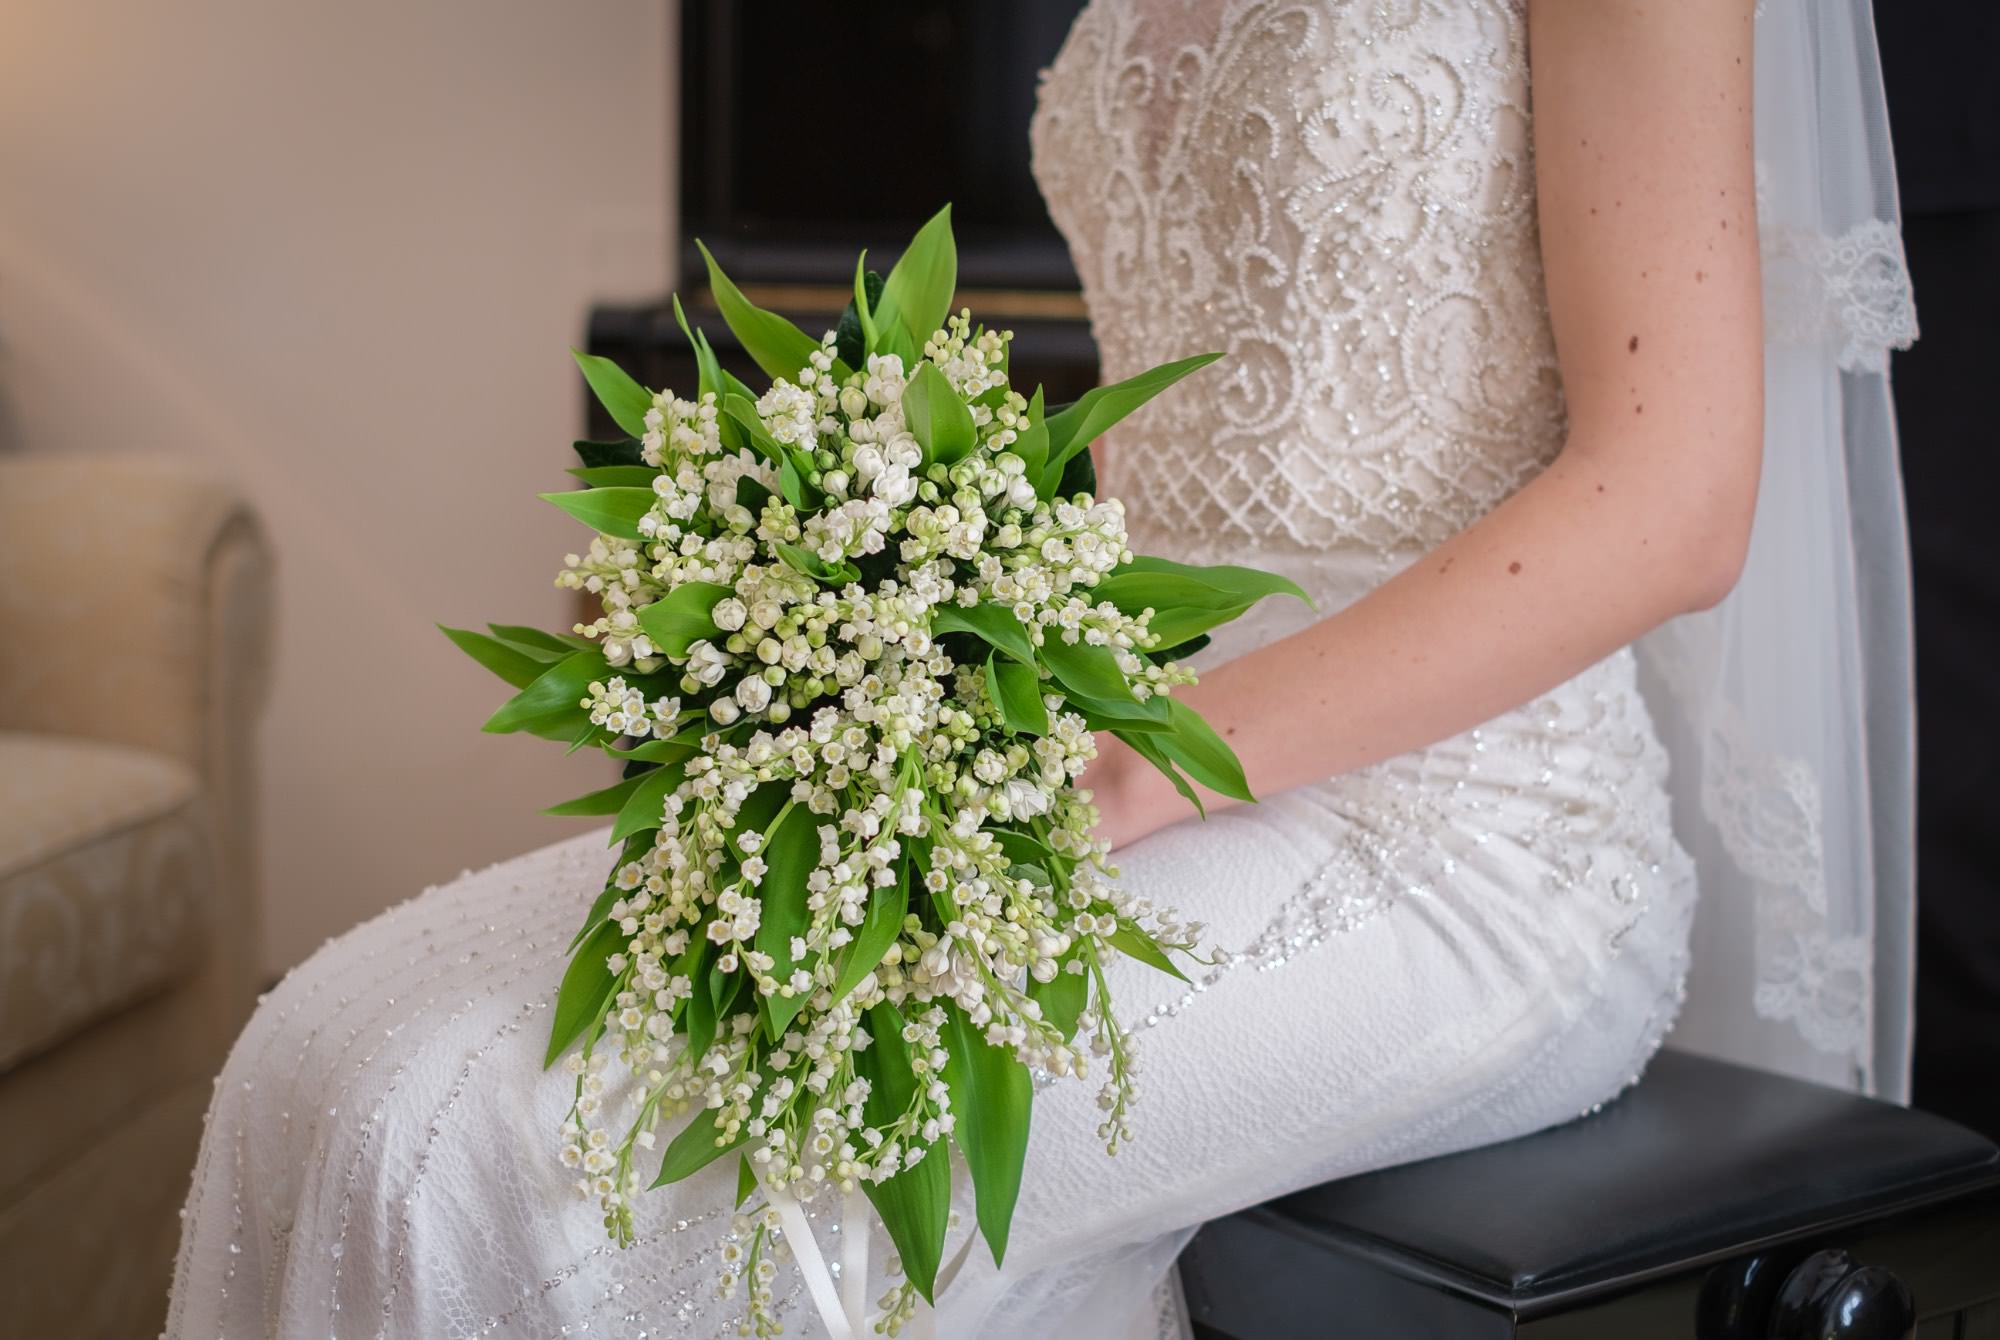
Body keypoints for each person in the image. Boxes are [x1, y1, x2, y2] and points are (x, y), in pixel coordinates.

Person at [166, 3, 1913, 1336]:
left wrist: (1143, 762)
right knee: (336, 1053)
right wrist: (889, 643)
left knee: (527, 1156)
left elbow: (1674, 502)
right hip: (1108, 753)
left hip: (1467, 834)